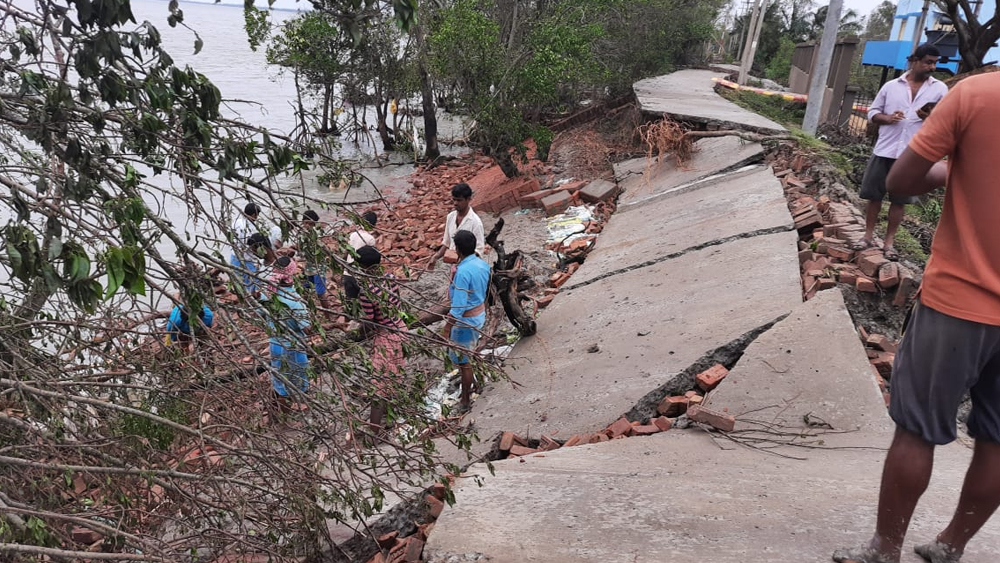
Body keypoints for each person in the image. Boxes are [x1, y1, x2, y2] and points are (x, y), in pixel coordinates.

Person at [832, 71, 1000, 563]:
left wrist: (951, 171)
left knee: (917, 429)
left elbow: (899, 180)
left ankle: (886, 549)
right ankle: (951, 545)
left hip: (958, 301)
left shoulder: (975, 94)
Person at [854, 44, 947, 261]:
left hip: (912, 155)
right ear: (914, 60)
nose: (932, 67)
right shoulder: (891, 86)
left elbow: (945, 119)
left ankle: (889, 244)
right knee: (874, 196)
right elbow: (873, 112)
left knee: (900, 201)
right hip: (885, 148)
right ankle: (867, 236)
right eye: (928, 62)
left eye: (935, 63)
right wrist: (887, 118)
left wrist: (930, 118)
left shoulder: (940, 89)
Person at [355, 245, 407, 430]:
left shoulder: (366, 291)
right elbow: (398, 305)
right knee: (393, 377)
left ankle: (374, 431)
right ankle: (391, 419)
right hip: (400, 329)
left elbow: (370, 321)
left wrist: (357, 334)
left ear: (362, 267)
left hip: (386, 337)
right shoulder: (390, 278)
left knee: (379, 387)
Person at [443, 230, 490, 412]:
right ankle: (477, 383)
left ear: (457, 249)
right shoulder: (481, 264)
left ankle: (465, 399)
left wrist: (447, 328)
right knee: (471, 351)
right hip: (479, 315)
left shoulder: (462, 272)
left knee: (464, 362)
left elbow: (459, 307)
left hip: (466, 321)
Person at [264, 255, 312, 414]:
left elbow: (260, 312)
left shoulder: (268, 294)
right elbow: (306, 328)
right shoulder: (294, 300)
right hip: (294, 347)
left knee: (279, 382)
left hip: (275, 345)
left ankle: (280, 416)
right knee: (300, 381)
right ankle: (303, 414)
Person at [426, 183, 485, 272]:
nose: (455, 203)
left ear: (468, 199)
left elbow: (479, 250)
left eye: (459, 200)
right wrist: (435, 257)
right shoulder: (450, 217)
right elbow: (447, 242)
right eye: (454, 200)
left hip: (470, 268)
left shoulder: (475, 222)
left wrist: (460, 259)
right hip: (454, 267)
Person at [297, 209, 333, 314]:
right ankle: (305, 311)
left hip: (319, 266)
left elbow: (323, 249)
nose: (307, 226)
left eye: (310, 224)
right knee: (305, 287)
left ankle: (328, 315)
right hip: (309, 266)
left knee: (320, 292)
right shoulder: (303, 234)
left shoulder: (316, 234)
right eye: (306, 223)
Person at [230, 202, 262, 292]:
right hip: (246, 260)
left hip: (234, 256)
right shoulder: (251, 228)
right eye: (257, 215)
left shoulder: (236, 222)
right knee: (251, 285)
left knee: (238, 283)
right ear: (253, 215)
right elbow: (251, 246)